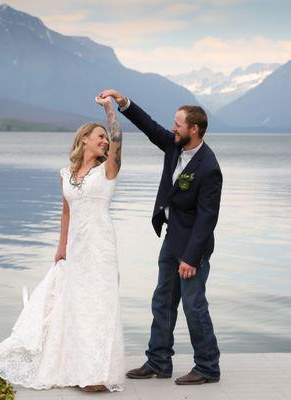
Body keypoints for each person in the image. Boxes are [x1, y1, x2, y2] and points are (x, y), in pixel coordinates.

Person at [0, 95, 125, 392]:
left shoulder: (108, 171)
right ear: (84, 140)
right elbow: (66, 211)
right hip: (76, 249)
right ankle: (78, 367)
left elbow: (118, 140)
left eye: (106, 138)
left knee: (99, 307)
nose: (105, 141)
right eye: (100, 136)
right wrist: (61, 248)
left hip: (101, 247)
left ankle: (97, 374)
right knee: (76, 308)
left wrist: (110, 114)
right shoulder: (66, 175)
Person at [100, 89, 222, 385]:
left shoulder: (209, 168)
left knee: (194, 305)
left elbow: (208, 219)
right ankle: (158, 361)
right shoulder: (173, 146)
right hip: (171, 238)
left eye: (178, 124)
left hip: (194, 246)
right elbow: (149, 125)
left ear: (194, 129)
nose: (172, 128)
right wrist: (123, 102)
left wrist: (191, 258)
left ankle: (207, 367)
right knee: (163, 301)